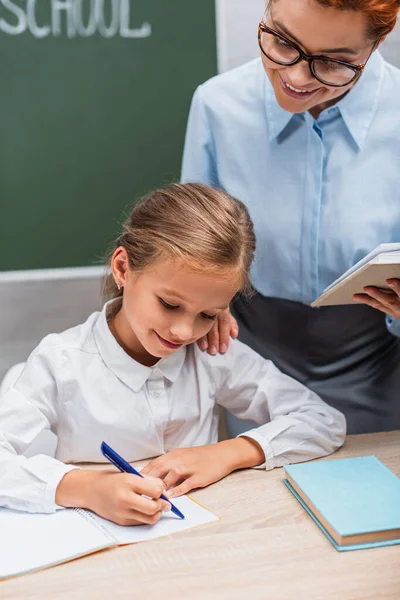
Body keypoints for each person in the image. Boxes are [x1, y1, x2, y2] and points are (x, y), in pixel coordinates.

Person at [0, 183, 344, 526]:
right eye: (169, 304)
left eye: (208, 314)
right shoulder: (61, 361)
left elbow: (323, 421)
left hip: (199, 537)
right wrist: (85, 488)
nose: (184, 331)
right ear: (123, 269)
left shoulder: (213, 352)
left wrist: (227, 453)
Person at [182, 0, 400, 435]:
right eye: (282, 41)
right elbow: (193, 248)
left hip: (381, 364)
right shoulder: (217, 105)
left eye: (335, 62)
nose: (296, 78)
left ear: (376, 45)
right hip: (249, 358)